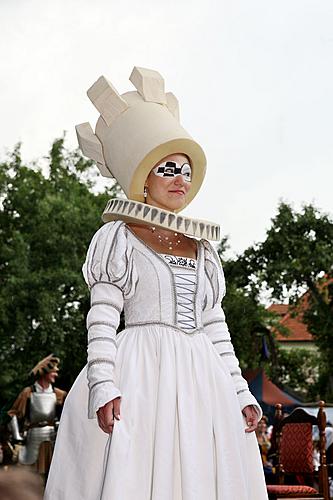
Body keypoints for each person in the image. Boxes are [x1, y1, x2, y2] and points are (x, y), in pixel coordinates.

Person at [45, 67, 268, 499]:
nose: (180, 179)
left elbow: (215, 326)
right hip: (142, 375)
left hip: (203, 381)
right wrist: (104, 382)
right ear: (144, 177)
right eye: (168, 168)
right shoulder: (118, 236)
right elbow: (103, 316)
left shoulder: (203, 249)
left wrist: (239, 391)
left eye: (186, 171)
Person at [7, 354, 66, 477]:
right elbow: (13, 414)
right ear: (45, 373)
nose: (56, 375)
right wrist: (17, 437)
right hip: (33, 436)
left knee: (52, 474)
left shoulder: (58, 394)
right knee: (30, 473)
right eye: (53, 372)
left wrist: (61, 425)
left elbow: (68, 413)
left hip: (52, 437)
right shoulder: (28, 392)